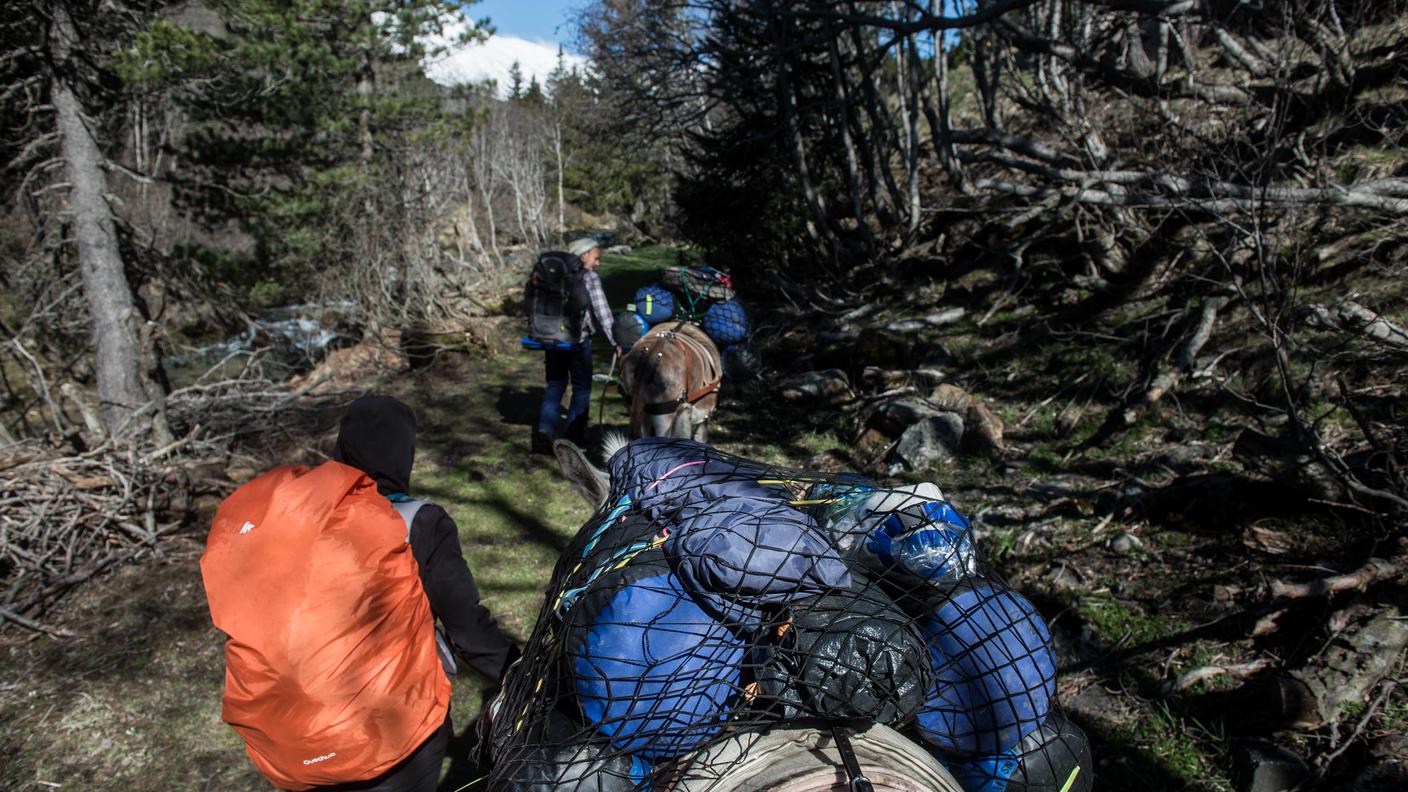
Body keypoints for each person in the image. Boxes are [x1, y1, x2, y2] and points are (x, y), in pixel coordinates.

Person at [324, 395, 520, 791]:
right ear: (403, 453)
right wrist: (523, 671)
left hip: (306, 718)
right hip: (397, 721)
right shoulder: (418, 522)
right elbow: (467, 633)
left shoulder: (305, 517)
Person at [532, 237, 618, 454]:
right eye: (596, 258)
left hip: (552, 340)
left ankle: (545, 431)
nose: (597, 263)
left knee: (554, 387)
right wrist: (617, 342)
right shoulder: (589, 278)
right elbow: (603, 313)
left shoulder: (552, 274)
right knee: (581, 388)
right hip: (578, 341)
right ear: (584, 254)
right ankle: (573, 438)